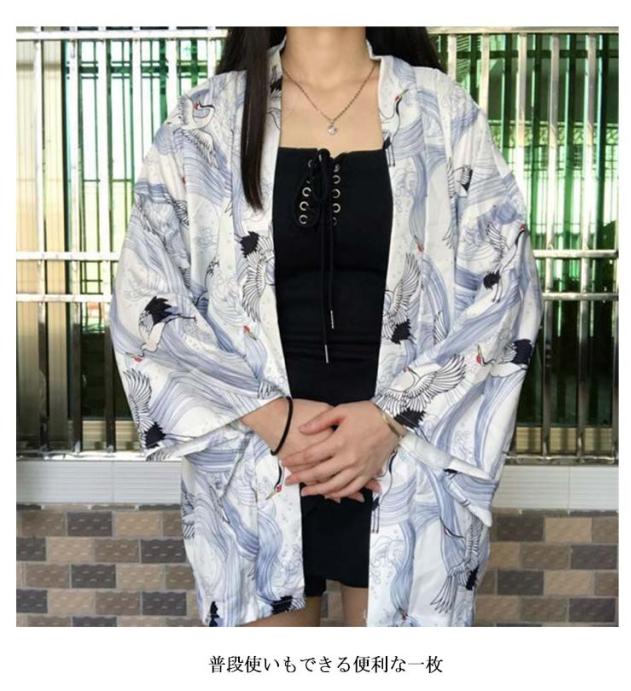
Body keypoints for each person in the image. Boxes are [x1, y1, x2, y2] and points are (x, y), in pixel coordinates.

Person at [110, 27, 543, 627]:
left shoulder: (440, 109)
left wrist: (390, 418)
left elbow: (506, 285)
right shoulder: (205, 119)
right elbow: (145, 294)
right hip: (256, 454)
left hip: (406, 453)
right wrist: (277, 422)